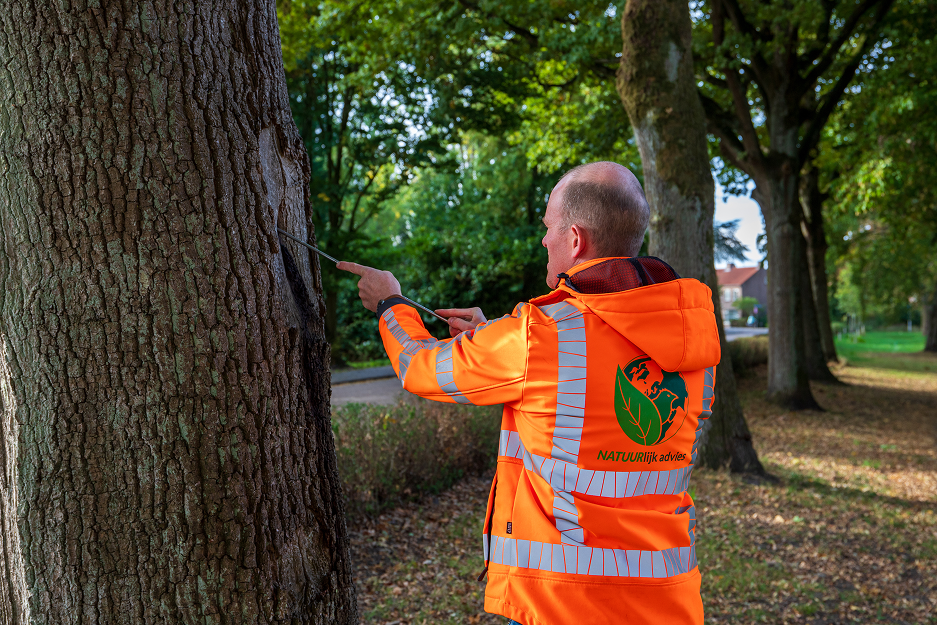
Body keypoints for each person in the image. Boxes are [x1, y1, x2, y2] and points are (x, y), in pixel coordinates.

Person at [338, 161, 720, 625]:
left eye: (548, 228)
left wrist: (390, 304)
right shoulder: (692, 339)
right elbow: (586, 367)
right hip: (668, 599)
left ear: (575, 239)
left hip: (567, 603)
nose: (543, 240)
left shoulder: (537, 337)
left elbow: (422, 368)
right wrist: (492, 334)